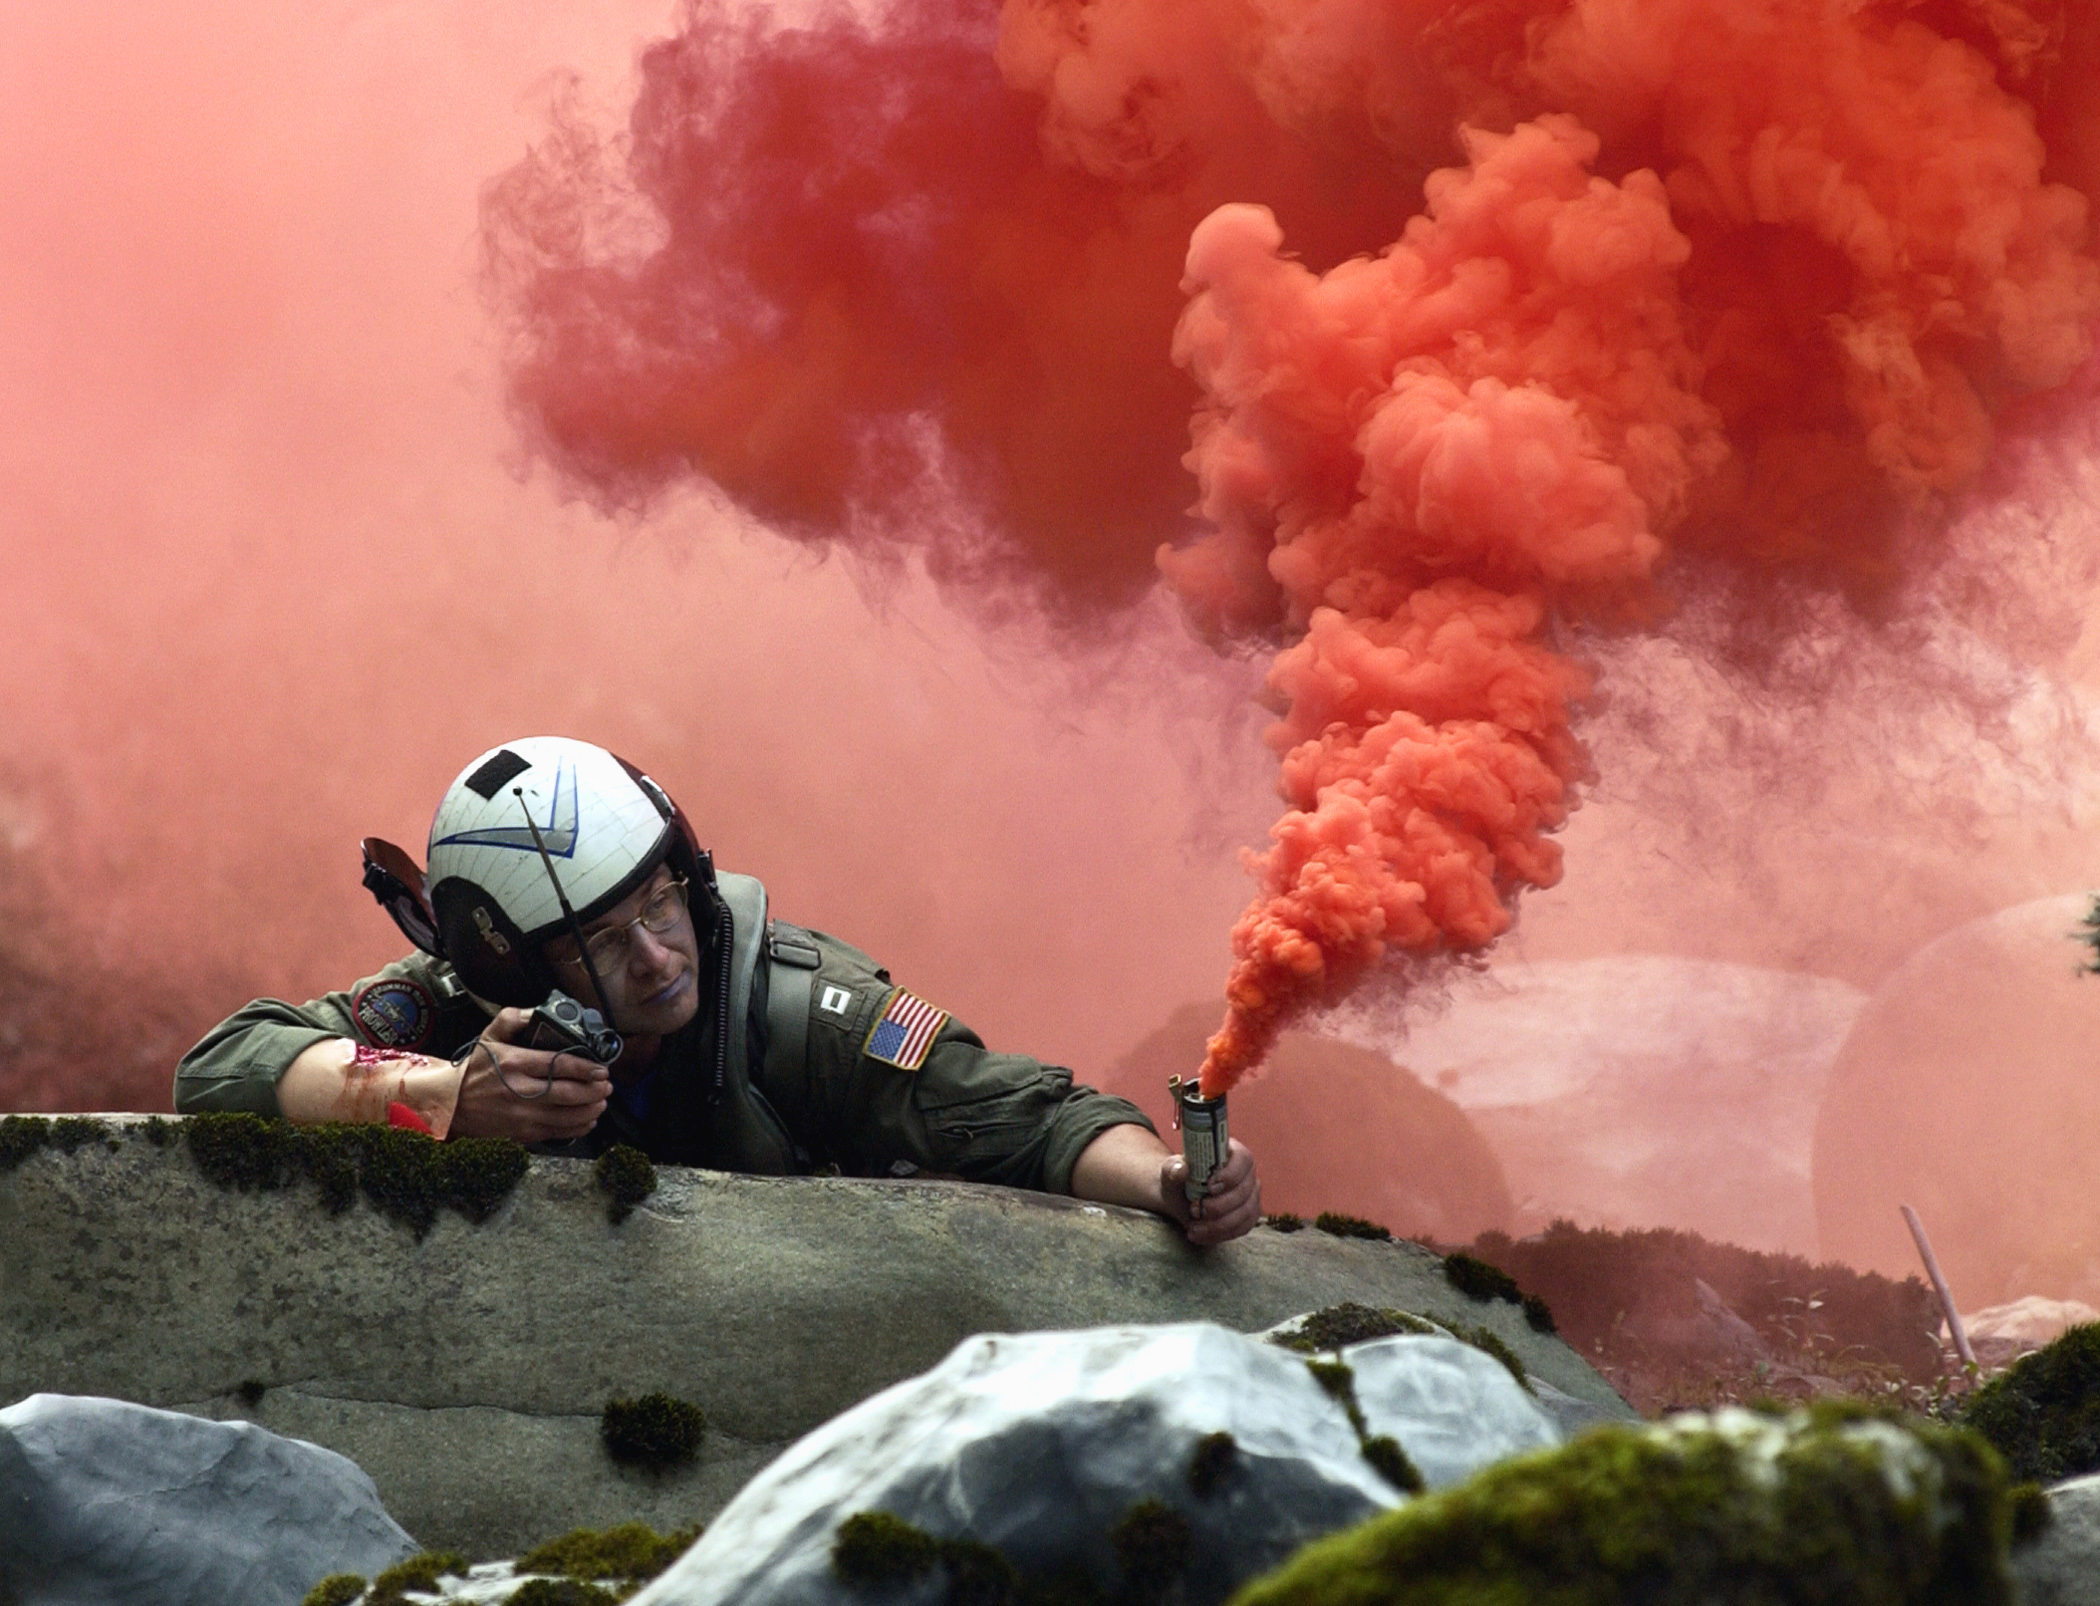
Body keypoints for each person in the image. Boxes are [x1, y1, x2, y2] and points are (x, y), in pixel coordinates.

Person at [175, 737, 1260, 1243]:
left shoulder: (796, 1009)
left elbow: (1025, 1119)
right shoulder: (462, 1013)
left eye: (660, 903)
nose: (657, 956)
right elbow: (224, 1066)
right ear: (507, 963)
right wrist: (440, 1097)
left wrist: (1168, 1183)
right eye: (602, 937)